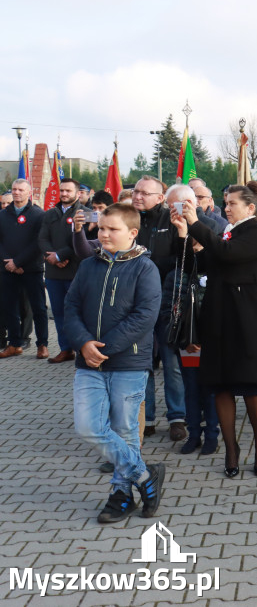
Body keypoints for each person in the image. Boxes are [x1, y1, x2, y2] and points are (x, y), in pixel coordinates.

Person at [65, 203, 164, 523]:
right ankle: (144, 476)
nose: (103, 234)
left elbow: (145, 317)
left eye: (112, 229)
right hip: (88, 364)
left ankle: (121, 495)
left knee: (124, 430)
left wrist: (102, 348)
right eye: (102, 228)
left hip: (128, 364)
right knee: (88, 427)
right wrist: (83, 343)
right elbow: (71, 307)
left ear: (132, 233)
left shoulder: (145, 269)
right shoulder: (89, 266)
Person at [179, 185, 257, 478]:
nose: (226, 208)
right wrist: (188, 237)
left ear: (251, 208)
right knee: (221, 385)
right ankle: (231, 450)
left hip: (245, 318)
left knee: (250, 385)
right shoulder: (227, 232)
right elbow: (207, 263)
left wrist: (196, 224)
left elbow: (228, 254)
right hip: (217, 316)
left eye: (232, 203)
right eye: (225, 202)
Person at [162, 189, 220, 457]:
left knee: (210, 390)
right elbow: (171, 304)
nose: (195, 245)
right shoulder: (181, 269)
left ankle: (212, 434)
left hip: (209, 337)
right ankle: (193, 433)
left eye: (200, 240)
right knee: (191, 388)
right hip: (187, 339)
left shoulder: (215, 269)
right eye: (191, 242)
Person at [132, 175, 186, 440]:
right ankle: (148, 418)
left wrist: (153, 266)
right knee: (143, 364)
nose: (138, 196)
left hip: (167, 302)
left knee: (171, 361)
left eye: (144, 193)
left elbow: (181, 256)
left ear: (160, 198)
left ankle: (178, 417)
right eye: (135, 191)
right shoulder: (127, 219)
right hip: (136, 304)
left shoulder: (171, 220)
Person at [0, 178, 49, 360]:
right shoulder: (3, 215)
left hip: (31, 269)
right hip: (7, 270)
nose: (16, 192)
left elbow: (38, 242)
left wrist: (19, 262)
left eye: (21, 189)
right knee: (9, 307)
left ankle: (42, 344)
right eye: (14, 189)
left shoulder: (39, 215)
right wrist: (9, 264)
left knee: (38, 309)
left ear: (29, 193)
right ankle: (14, 344)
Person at [38, 177, 84, 363]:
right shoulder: (50, 214)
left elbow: (82, 241)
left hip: (76, 272)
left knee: (79, 312)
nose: (64, 194)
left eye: (68, 191)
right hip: (53, 272)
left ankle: (82, 348)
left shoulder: (85, 213)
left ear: (78, 193)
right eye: (62, 191)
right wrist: (53, 258)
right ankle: (65, 349)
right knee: (58, 312)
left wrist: (60, 255)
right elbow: (42, 239)